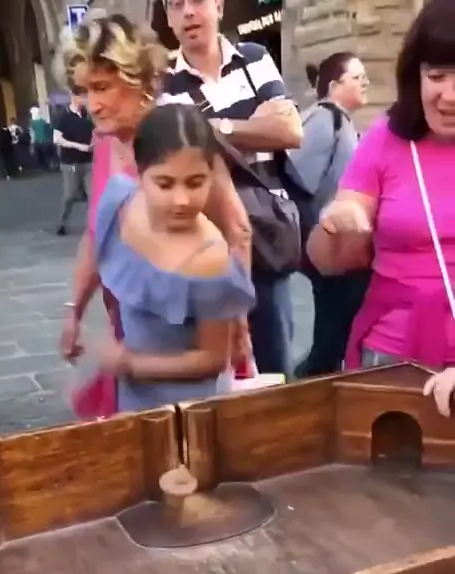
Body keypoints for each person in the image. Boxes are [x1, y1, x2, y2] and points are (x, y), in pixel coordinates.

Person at [55, 12, 253, 369]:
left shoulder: (179, 134)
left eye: (102, 87)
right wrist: (75, 309)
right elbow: (96, 232)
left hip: (190, 332)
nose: (92, 104)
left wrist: (236, 319)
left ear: (138, 79)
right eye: (85, 91)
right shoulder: (106, 142)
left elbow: (236, 229)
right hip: (131, 325)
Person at [307, 0, 455, 372]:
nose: (450, 96)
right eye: (437, 76)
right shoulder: (386, 139)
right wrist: (336, 222)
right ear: (415, 75)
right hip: (393, 356)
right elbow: (329, 260)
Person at [162, 0, 302, 378]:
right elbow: (180, 156)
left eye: (197, 1)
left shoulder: (254, 58)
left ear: (219, 7)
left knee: (276, 360)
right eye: (176, 4)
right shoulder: (163, 83)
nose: (188, 12)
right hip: (205, 241)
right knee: (218, 366)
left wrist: (215, 129)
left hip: (264, 232)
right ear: (168, 17)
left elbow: (290, 131)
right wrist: (254, 125)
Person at [90, 103, 256, 411]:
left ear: (212, 175)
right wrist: (74, 312)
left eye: (195, 183)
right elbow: (93, 247)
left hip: (192, 409)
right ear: (141, 172)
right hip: (134, 399)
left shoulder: (211, 260)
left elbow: (214, 358)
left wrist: (130, 364)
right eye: (164, 183)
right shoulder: (120, 201)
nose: (181, 200)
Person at [292, 53, 371, 377]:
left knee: (337, 325)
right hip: (327, 244)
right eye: (357, 77)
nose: (365, 83)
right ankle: (312, 382)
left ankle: (318, 378)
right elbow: (297, 176)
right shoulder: (325, 119)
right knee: (334, 327)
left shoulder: (341, 122)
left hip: (338, 247)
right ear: (335, 85)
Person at [54, 85, 93, 235]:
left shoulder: (88, 116)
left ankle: (92, 225)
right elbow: (57, 139)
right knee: (70, 195)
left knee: (92, 193)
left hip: (89, 161)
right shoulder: (62, 117)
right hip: (70, 162)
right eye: (83, 96)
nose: (86, 99)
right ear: (74, 97)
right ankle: (62, 222)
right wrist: (79, 146)